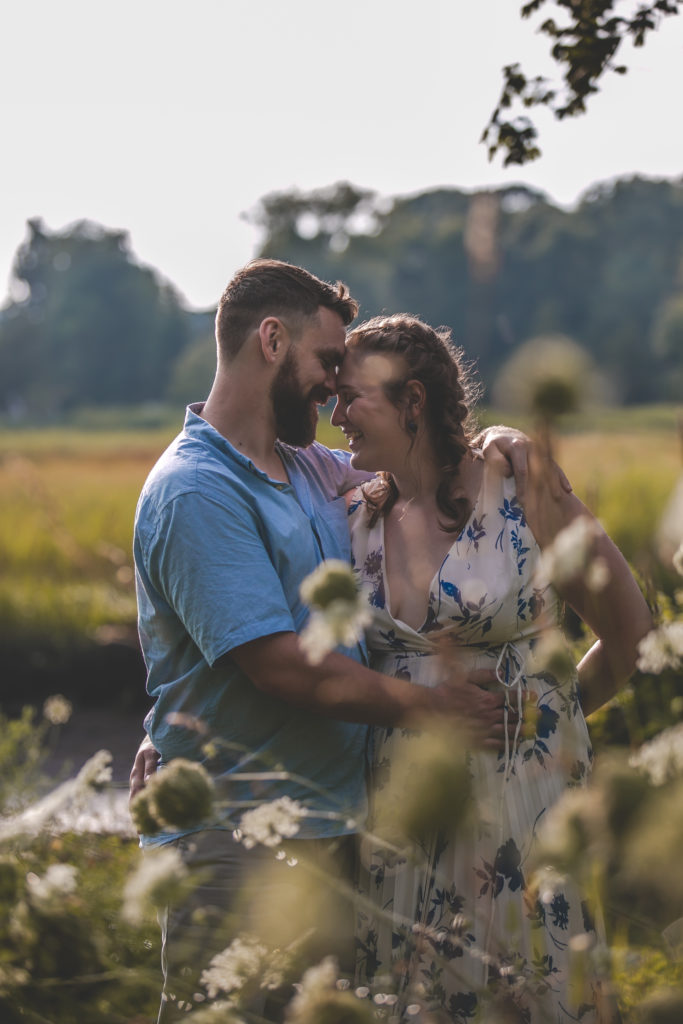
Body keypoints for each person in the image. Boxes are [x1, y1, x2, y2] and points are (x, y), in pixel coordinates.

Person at [131, 259, 540, 1022]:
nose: (332, 387)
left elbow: (418, 466)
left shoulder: (307, 469)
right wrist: (431, 708)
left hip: (331, 833)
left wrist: (497, 439)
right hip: (234, 841)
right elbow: (281, 667)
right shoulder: (196, 488)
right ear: (272, 340)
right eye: (326, 363)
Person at [330, 313, 653, 1022]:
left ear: (412, 400)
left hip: (522, 810)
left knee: (529, 988)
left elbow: (630, 633)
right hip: (401, 814)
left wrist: (545, 723)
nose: (335, 415)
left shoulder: (518, 484)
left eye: (351, 396)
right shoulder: (349, 515)